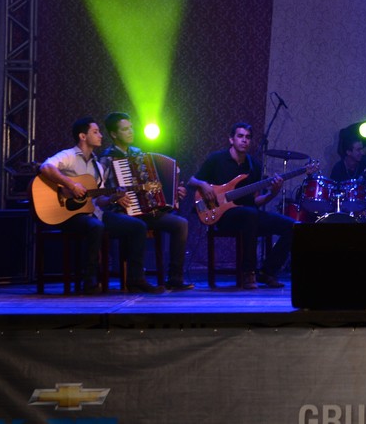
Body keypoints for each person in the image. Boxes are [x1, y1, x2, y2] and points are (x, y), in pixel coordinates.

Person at [38, 117, 165, 294]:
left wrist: (113, 197)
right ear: (83, 136)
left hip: (94, 213)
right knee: (95, 226)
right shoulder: (69, 156)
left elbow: (99, 200)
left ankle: (135, 279)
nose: (100, 136)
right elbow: (46, 167)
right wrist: (71, 185)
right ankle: (90, 280)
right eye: (95, 132)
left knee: (138, 226)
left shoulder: (98, 166)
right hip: (69, 215)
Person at [188, 122, 296, 289]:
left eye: (248, 137)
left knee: (293, 227)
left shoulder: (254, 166)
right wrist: (203, 184)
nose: (244, 140)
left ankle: (268, 271)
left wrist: (273, 193)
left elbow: (256, 200)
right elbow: (191, 181)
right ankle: (248, 272)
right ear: (231, 139)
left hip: (250, 215)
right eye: (240, 136)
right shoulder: (216, 159)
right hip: (224, 216)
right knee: (249, 215)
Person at [98, 112, 193, 291]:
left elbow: (153, 184)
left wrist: (174, 193)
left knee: (181, 224)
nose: (131, 132)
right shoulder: (106, 158)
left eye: (131, 128)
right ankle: (136, 279)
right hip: (120, 212)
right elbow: (98, 193)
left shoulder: (138, 154)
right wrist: (115, 198)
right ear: (114, 134)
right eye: (125, 129)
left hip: (145, 210)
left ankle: (175, 278)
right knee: (137, 226)